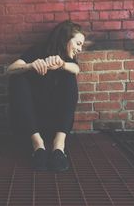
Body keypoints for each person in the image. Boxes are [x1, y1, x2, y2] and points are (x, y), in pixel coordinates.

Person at [7, 20, 86, 172]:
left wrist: (62, 65)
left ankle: (58, 148)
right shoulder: (38, 51)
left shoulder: (67, 60)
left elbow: (76, 69)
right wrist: (30, 66)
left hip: (56, 124)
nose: (80, 48)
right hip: (31, 125)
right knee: (17, 77)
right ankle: (38, 147)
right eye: (78, 43)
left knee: (70, 76)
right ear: (66, 39)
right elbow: (10, 69)